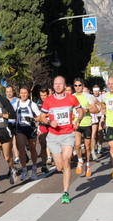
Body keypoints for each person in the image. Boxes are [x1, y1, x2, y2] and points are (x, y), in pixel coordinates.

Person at [40, 76, 84, 204]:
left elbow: (80, 111)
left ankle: (65, 192)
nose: (58, 86)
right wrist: (49, 122)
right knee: (59, 167)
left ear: (65, 86)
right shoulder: (48, 101)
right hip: (53, 136)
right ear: (53, 86)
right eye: (56, 84)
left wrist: (78, 121)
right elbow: (42, 117)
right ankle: (65, 170)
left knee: (66, 161)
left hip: (68, 134)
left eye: (60, 84)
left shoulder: (72, 98)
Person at [13, 86, 41, 181]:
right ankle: (24, 170)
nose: (23, 95)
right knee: (21, 149)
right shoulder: (16, 105)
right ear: (19, 93)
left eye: (25, 93)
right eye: (21, 93)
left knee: (33, 149)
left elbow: (40, 117)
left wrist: (32, 119)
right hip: (20, 129)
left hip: (31, 128)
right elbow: (12, 116)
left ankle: (34, 168)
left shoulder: (32, 104)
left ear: (28, 94)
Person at [73, 78, 97, 177]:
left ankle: (87, 166)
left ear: (83, 86)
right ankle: (80, 161)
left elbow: (95, 110)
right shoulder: (71, 97)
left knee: (87, 147)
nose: (78, 87)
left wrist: (86, 110)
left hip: (86, 123)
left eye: (79, 85)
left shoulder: (88, 96)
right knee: (77, 145)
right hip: (76, 124)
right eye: (76, 85)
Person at [36, 87, 51, 173]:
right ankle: (44, 165)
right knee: (43, 145)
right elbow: (37, 117)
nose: (43, 97)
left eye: (44, 95)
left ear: (48, 94)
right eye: (41, 95)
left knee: (55, 145)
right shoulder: (38, 104)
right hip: (42, 125)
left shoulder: (52, 102)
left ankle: (60, 163)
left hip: (52, 126)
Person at [5, 86, 20, 164]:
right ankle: (16, 157)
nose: (9, 93)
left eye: (10, 91)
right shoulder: (4, 101)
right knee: (11, 142)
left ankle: (21, 153)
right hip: (8, 123)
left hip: (16, 123)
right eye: (7, 92)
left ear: (13, 92)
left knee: (17, 142)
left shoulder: (17, 100)